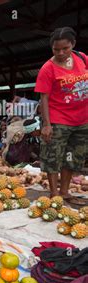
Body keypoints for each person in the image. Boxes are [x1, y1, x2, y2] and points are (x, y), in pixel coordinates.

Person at [35, 27, 88, 203]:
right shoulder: (47, 68)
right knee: (53, 156)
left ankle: (65, 191)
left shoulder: (82, 58)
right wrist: (47, 124)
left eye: (65, 48)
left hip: (82, 119)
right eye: (56, 49)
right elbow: (44, 97)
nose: (61, 53)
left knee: (72, 156)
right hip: (59, 119)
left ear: (72, 44)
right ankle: (54, 193)